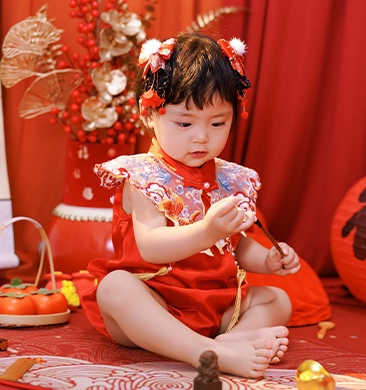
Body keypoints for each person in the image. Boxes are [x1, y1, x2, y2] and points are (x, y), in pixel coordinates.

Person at [82, 33, 301, 379]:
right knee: (115, 288)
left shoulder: (230, 179)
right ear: (149, 114)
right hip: (157, 301)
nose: (201, 137)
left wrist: (268, 259)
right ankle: (208, 352)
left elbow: (235, 245)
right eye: (184, 123)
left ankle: (235, 340)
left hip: (215, 303)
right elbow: (151, 247)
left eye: (218, 123)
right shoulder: (143, 176)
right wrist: (208, 230)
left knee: (276, 299)